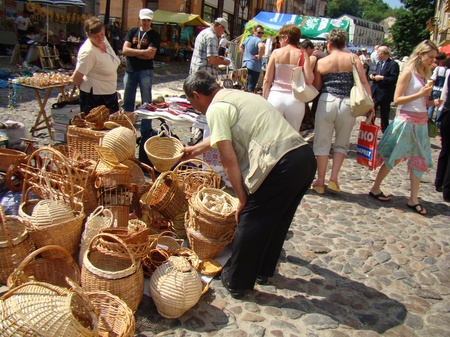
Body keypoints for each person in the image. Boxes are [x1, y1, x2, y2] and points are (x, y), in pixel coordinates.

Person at [181, 71, 316, 299]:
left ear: (196, 95)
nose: (195, 107)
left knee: (249, 218)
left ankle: (237, 281)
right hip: (303, 158)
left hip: (280, 163)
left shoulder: (215, 108)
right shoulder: (237, 95)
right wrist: (195, 150)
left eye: (191, 102)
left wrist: (242, 198)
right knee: (278, 219)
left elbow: (228, 158)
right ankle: (263, 270)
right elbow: (222, 136)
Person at [369, 40, 440, 215]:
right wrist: (421, 93)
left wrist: (432, 101)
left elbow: (421, 102)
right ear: (420, 54)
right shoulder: (408, 72)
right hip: (406, 122)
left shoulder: (425, 74)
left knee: (419, 161)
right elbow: (397, 99)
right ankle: (375, 188)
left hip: (421, 123)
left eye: (434, 58)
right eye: (430, 57)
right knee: (393, 157)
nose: (433, 61)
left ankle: (413, 199)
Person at [311, 28, 371, 194]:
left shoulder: (322, 62)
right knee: (342, 143)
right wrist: (369, 105)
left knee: (322, 143)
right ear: (344, 43)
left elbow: (317, 86)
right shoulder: (353, 58)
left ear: (329, 44)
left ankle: (320, 180)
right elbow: (364, 83)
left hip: (326, 101)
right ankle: (334, 179)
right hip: (347, 103)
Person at [122, 8, 160, 163]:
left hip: (145, 71)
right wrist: (142, 52)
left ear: (151, 21)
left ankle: (145, 131)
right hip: (130, 71)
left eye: (147, 20)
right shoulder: (132, 31)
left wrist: (134, 52)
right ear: (139, 19)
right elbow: (124, 50)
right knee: (127, 101)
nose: (145, 23)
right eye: (143, 20)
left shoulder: (154, 35)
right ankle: (127, 129)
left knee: (146, 103)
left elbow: (151, 54)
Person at [263, 24, 314, 131]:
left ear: (286, 37)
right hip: (295, 99)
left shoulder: (276, 53)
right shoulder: (302, 54)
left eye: (280, 38)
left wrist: (264, 98)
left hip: (276, 97)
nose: (279, 41)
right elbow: (309, 79)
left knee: (273, 132)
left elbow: (267, 80)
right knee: (293, 135)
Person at [72, 17, 120, 115]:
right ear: (88, 35)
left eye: (102, 34)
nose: (100, 38)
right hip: (95, 97)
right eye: (96, 36)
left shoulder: (104, 41)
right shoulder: (88, 52)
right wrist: (85, 90)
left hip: (109, 93)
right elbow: (77, 77)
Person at [369, 45, 400, 132]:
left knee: (384, 114)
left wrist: (382, 78)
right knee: (372, 112)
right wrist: (372, 76)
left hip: (385, 93)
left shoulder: (393, 64)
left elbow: (393, 79)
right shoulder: (379, 63)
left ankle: (385, 131)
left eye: (378, 52)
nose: (376, 54)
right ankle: (370, 128)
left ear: (383, 54)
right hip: (376, 91)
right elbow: (378, 73)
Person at [435, 70, 450, 202]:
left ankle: (439, 182)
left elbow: (444, 94)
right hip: (447, 113)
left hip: (447, 113)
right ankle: (445, 187)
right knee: (445, 151)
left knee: (445, 151)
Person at [240, 25, 265, 93]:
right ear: (254, 32)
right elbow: (261, 46)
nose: (261, 34)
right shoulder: (257, 39)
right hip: (254, 67)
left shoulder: (248, 39)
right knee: (250, 90)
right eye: (259, 32)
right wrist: (259, 56)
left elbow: (241, 46)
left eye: (262, 33)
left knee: (244, 88)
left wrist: (244, 55)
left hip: (245, 65)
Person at [427, 52, 447, 121]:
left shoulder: (438, 68)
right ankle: (437, 122)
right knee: (440, 107)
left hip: (436, 89)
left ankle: (429, 120)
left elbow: (433, 79)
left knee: (432, 106)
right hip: (444, 90)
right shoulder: (447, 70)